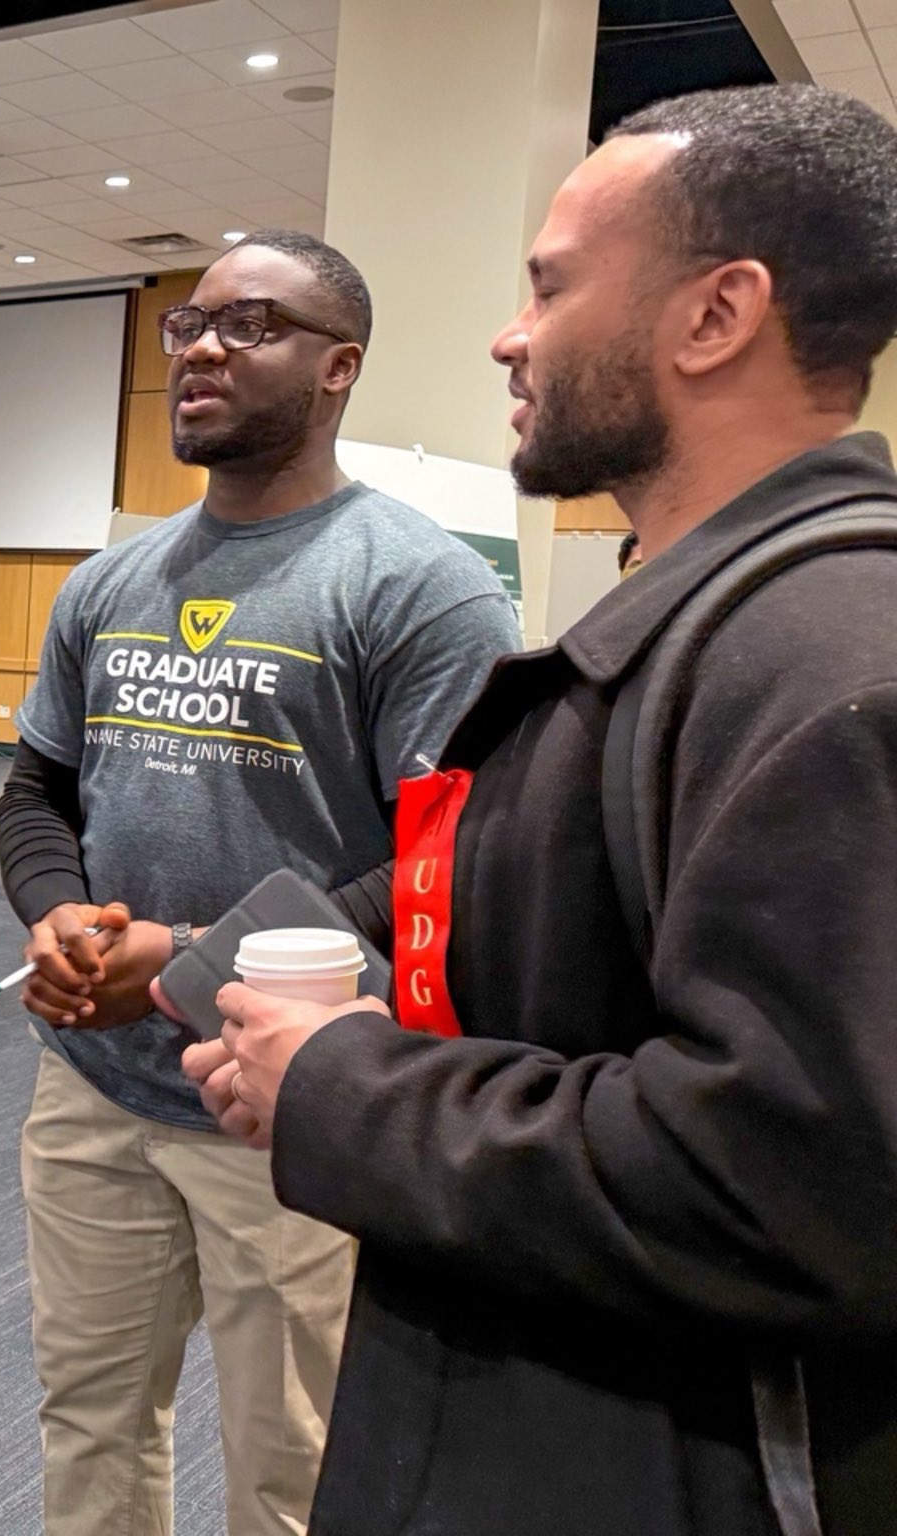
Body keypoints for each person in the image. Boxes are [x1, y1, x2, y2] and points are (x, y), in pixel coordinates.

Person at [186, 85, 897, 1535]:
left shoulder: (829, 661)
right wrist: (208, 963)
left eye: (553, 287)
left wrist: (339, 1086)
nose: (513, 337)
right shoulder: (700, 625)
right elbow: (508, 892)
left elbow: (789, 1181)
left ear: (716, 316)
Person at [0, 230, 518, 1536]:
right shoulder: (113, 581)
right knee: (90, 1422)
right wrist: (57, 913)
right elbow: (36, 793)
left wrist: (185, 961)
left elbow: (458, 865)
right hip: (94, 1100)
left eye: (255, 323)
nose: (206, 345)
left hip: (285, 1113)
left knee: (293, 1468)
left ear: (339, 366)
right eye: (190, 323)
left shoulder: (421, 588)